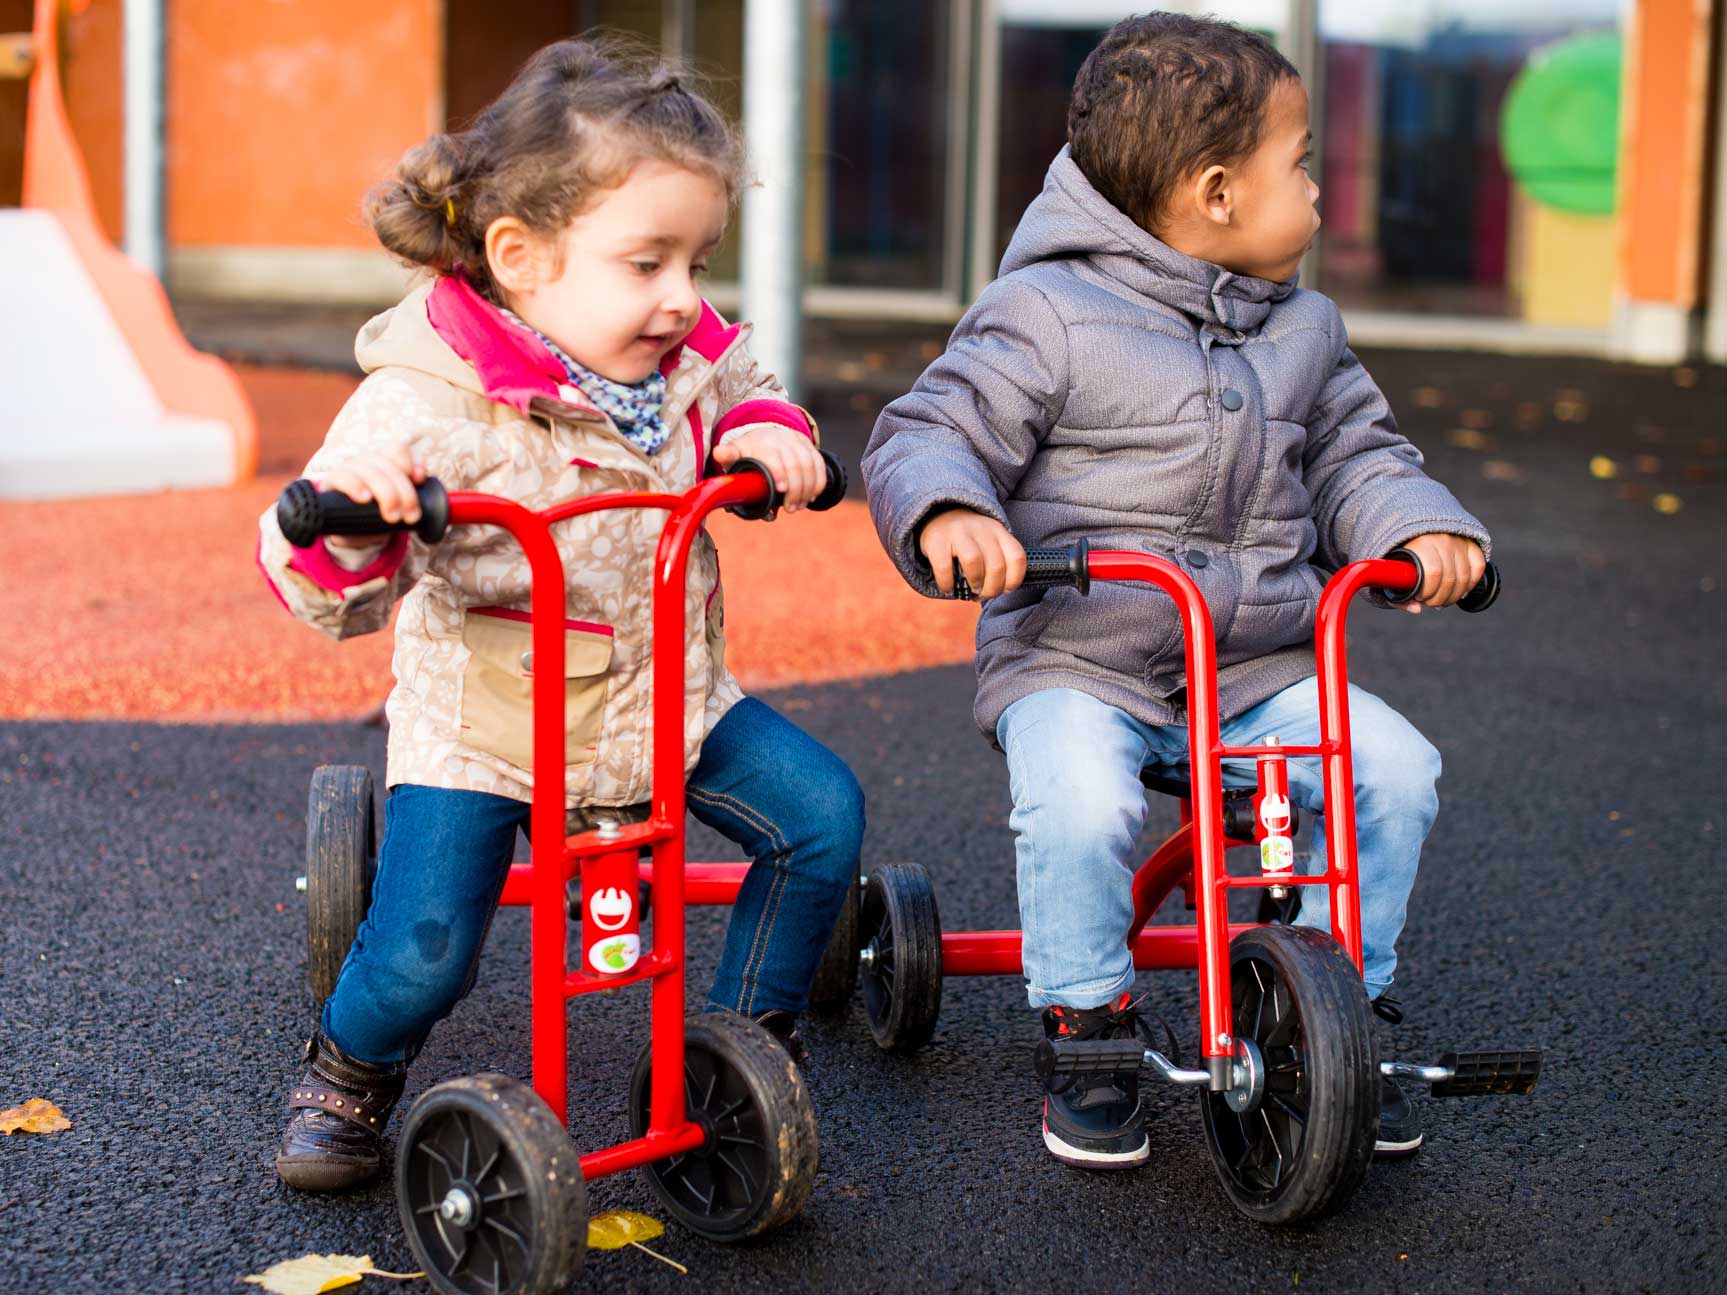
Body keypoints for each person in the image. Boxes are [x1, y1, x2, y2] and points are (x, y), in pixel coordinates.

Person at [862, 13, 1488, 1168]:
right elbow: (928, 428)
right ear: (1212, 192)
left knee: (1392, 770)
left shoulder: (1304, 328)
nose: (1313, 191)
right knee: (1081, 805)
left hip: (1252, 668)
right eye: (1297, 167)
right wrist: (951, 512)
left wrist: (1421, 528)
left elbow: (1357, 456)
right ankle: (1087, 1023)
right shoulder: (1043, 315)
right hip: (1079, 657)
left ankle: (1344, 1007)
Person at [257, 39, 863, 1191]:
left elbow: (748, 384)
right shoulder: (421, 403)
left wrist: (775, 432)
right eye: (648, 262)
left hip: (662, 697)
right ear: (521, 257)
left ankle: (732, 1047)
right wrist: (356, 522)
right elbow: (317, 582)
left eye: (697, 260)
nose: (684, 297)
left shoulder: (682, 353)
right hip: (487, 728)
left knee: (822, 814)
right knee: (428, 948)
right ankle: (348, 1065)